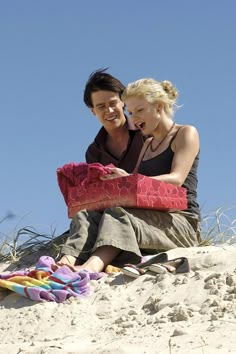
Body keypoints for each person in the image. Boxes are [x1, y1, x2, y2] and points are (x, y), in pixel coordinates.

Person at [58, 77, 201, 273]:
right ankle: (66, 262)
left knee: (117, 214)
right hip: (149, 220)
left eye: (139, 111)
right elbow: (135, 190)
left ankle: (92, 266)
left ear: (159, 106)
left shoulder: (186, 133)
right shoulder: (147, 145)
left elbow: (177, 179)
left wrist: (128, 180)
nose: (133, 119)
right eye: (132, 112)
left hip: (181, 222)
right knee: (86, 215)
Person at [84, 68, 144, 172]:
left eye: (113, 103)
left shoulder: (146, 130)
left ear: (123, 101)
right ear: (93, 110)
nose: (109, 110)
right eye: (101, 106)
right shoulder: (93, 153)